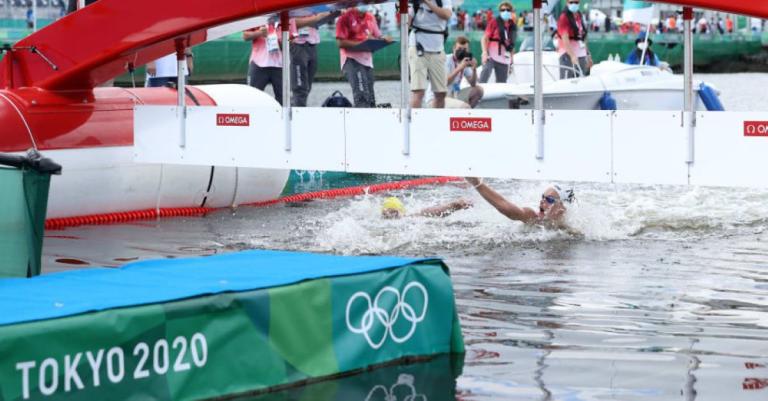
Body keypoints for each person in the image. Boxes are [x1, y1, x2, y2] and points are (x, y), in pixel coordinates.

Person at [336, 6, 391, 108]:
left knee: (370, 97)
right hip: (351, 59)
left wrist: (384, 39)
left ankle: (370, 120)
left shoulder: (370, 17)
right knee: (361, 96)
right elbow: (341, 43)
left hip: (367, 61)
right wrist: (362, 41)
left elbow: (378, 35)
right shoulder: (345, 18)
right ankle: (361, 121)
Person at [465, 178, 573, 229]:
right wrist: (477, 184)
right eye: (542, 197)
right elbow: (508, 209)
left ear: (562, 208)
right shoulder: (533, 218)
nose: (542, 201)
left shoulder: (571, 231)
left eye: (549, 200)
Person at [408, 0, 452, 109]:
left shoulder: (444, 1)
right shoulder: (415, 2)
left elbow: (446, 15)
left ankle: (435, 121)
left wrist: (427, 2)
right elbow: (405, 21)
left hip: (438, 48)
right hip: (418, 46)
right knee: (418, 91)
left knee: (441, 93)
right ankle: (413, 122)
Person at [290, 12, 338, 107]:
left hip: (312, 43)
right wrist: (316, 18)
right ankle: (298, 114)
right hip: (297, 43)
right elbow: (290, 22)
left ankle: (295, 107)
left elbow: (318, 20)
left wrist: (332, 15)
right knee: (300, 88)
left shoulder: (313, 7)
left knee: (307, 86)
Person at [425, 36, 483, 108]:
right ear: (453, 49)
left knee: (478, 91)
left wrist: (474, 69)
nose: (462, 51)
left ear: (468, 51)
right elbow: (443, 83)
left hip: (452, 95)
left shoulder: (464, 61)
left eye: (464, 49)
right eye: (459, 49)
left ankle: (464, 112)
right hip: (436, 98)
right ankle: (464, 112)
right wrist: (459, 68)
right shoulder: (446, 60)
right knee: (465, 107)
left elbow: (473, 84)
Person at [244, 18, 285, 105]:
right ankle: (255, 118)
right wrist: (259, 33)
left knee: (283, 99)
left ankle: (280, 118)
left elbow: (292, 39)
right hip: (258, 64)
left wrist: (283, 41)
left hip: (279, 65)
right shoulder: (257, 17)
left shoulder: (286, 16)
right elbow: (245, 36)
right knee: (253, 98)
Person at [480, 2, 517, 84]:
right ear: (500, 11)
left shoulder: (512, 26)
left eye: (508, 10)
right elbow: (484, 38)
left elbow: (511, 45)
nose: (505, 12)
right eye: (503, 10)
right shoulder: (494, 22)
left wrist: (511, 62)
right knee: (485, 72)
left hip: (504, 57)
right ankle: (478, 92)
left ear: (511, 11)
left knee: (502, 82)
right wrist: (484, 52)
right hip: (491, 55)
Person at [556, 0, 591, 79]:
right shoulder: (563, 17)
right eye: (571, 2)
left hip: (581, 54)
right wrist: (572, 56)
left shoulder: (580, 15)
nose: (574, 4)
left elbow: (583, 36)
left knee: (581, 80)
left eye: (576, 2)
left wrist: (588, 54)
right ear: (567, 3)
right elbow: (565, 39)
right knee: (566, 81)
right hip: (568, 54)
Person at [380, 196, 472, 219]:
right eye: (386, 212)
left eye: (393, 211)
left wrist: (452, 206)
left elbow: (432, 212)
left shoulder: (408, 217)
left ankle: (453, 204)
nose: (388, 214)